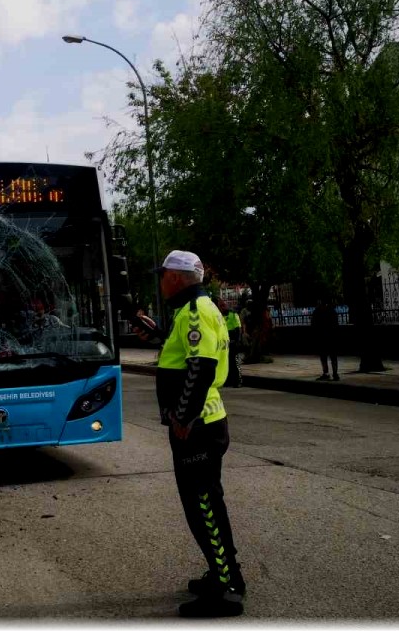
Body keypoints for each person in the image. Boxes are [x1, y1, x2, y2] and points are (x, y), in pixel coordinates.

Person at [134, 251, 245, 618]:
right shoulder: (197, 309)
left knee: (203, 507)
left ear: (178, 278)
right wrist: (158, 336)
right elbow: (186, 355)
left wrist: (183, 417)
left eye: (164, 274)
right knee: (206, 503)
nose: (161, 280)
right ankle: (227, 573)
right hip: (205, 423)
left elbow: (201, 368)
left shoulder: (195, 311)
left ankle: (224, 588)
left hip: (197, 428)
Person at [311, 298, 340, 381]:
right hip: (331, 337)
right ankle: (335, 373)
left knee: (323, 356)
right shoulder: (332, 311)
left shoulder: (317, 311)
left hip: (322, 337)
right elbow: (336, 325)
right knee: (333, 356)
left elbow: (313, 325)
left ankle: (326, 373)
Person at [218, 299, 244, 388]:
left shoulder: (233, 314)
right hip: (224, 342)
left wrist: (237, 340)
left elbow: (239, 328)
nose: (221, 308)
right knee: (226, 362)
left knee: (235, 362)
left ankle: (238, 380)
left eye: (223, 305)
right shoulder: (219, 316)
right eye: (220, 306)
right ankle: (228, 380)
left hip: (233, 340)